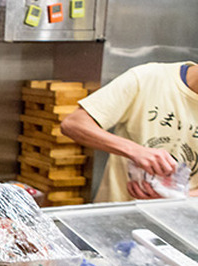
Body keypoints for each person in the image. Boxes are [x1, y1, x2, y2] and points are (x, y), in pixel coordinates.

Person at [60, 61, 198, 202]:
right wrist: (135, 151)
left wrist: (178, 198)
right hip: (115, 214)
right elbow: (73, 124)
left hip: (180, 220)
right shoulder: (148, 78)